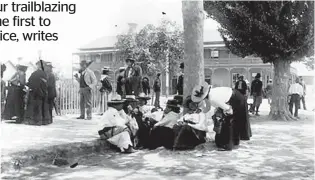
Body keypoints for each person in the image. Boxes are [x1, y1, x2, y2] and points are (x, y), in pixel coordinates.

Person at [191, 82, 252, 150]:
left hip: (236, 99)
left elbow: (227, 108)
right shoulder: (210, 94)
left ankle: (227, 144)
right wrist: (200, 111)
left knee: (228, 122)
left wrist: (225, 114)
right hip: (231, 97)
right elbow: (208, 107)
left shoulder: (212, 98)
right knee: (227, 121)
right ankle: (232, 141)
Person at [24, 60, 49, 126]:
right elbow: (46, 84)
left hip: (34, 92)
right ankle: (42, 121)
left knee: (34, 106)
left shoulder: (34, 73)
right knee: (41, 106)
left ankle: (34, 121)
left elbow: (29, 82)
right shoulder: (45, 73)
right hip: (42, 92)